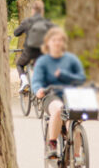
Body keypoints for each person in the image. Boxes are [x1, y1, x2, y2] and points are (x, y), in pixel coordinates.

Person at [31, 26, 86, 160]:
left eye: (60, 40)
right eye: (54, 40)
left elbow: (81, 78)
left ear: (64, 43)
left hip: (69, 94)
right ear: (48, 43)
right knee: (58, 109)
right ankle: (52, 144)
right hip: (50, 95)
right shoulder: (43, 61)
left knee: (74, 119)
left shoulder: (71, 59)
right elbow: (37, 80)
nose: (57, 43)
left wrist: (64, 74)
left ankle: (76, 156)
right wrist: (38, 89)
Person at [13, 0, 52, 92]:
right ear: (42, 11)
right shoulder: (47, 22)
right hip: (43, 51)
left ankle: (25, 81)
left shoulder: (27, 21)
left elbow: (16, 33)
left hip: (29, 51)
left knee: (19, 64)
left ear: (33, 10)